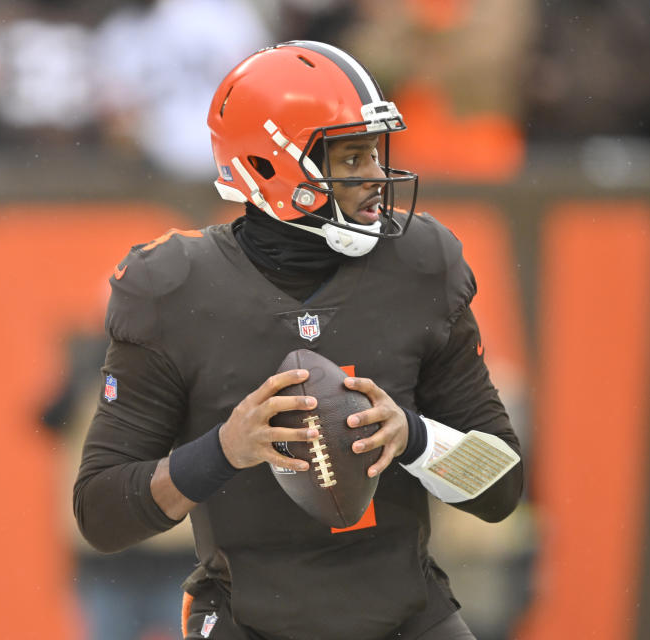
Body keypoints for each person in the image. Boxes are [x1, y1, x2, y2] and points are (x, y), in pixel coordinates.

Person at [74, 40, 523, 639]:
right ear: (269, 165)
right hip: (250, 620)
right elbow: (102, 513)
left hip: (407, 617)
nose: (376, 180)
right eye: (351, 159)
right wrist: (223, 451)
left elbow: (502, 487)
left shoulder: (420, 264)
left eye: (376, 154)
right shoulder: (175, 288)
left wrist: (415, 438)